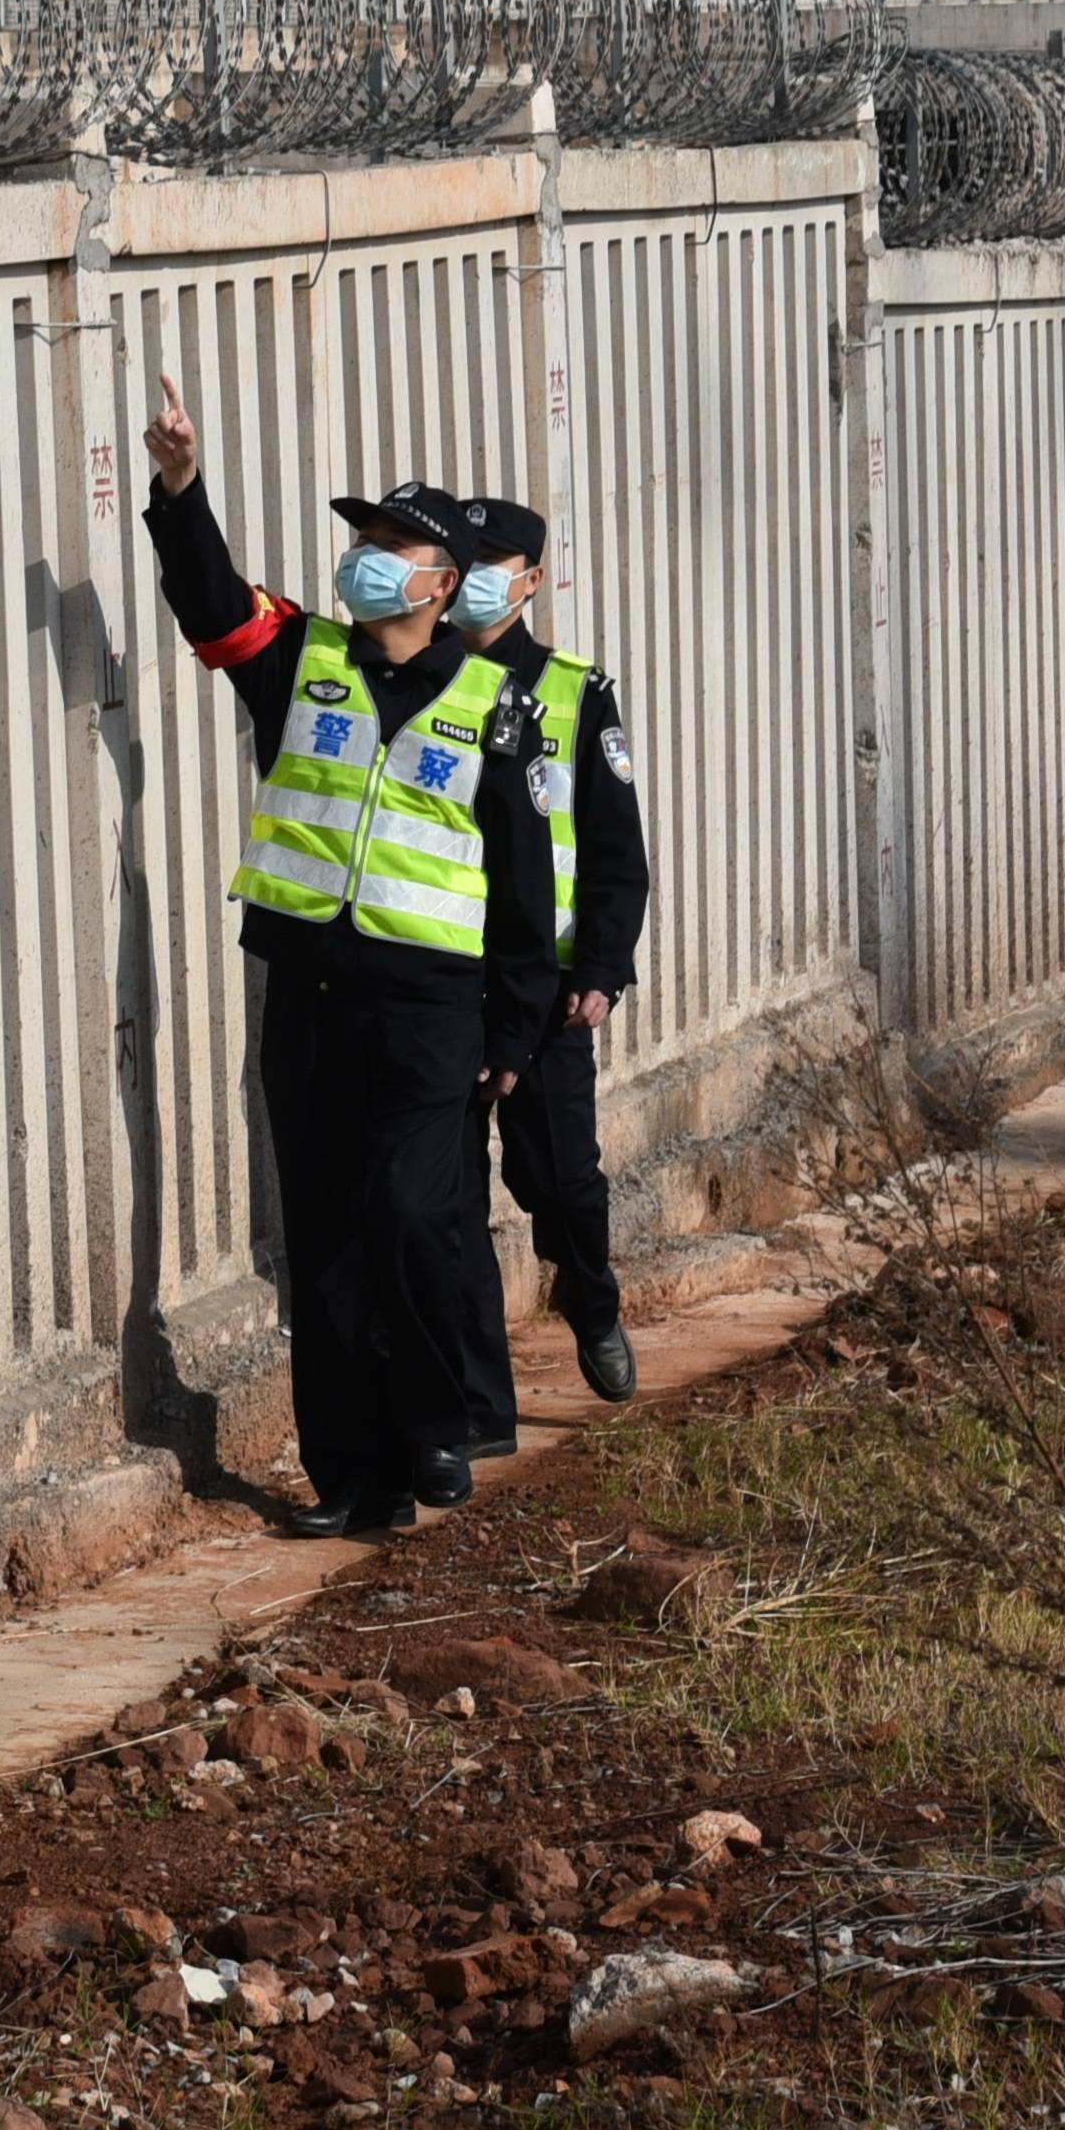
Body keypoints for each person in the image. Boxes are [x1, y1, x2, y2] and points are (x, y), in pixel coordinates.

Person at [138, 379, 562, 1537]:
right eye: (361, 539)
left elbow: (528, 893)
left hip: (431, 1004)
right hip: (309, 988)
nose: (365, 559)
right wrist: (181, 485)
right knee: (322, 1229)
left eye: (392, 546)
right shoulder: (299, 653)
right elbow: (211, 603)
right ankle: (352, 1475)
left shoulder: (497, 705)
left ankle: (437, 1423)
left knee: (411, 1214)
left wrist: (517, 1030)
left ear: (441, 582)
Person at [446, 495, 650, 1449]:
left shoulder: (573, 692)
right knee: (439, 1192)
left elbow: (614, 853)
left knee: (560, 1179)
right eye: (468, 557)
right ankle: (466, 1393)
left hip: (551, 987)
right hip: (444, 970)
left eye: (499, 562)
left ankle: (593, 1300)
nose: (479, 575)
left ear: (529, 581)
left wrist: (603, 973)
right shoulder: (422, 676)